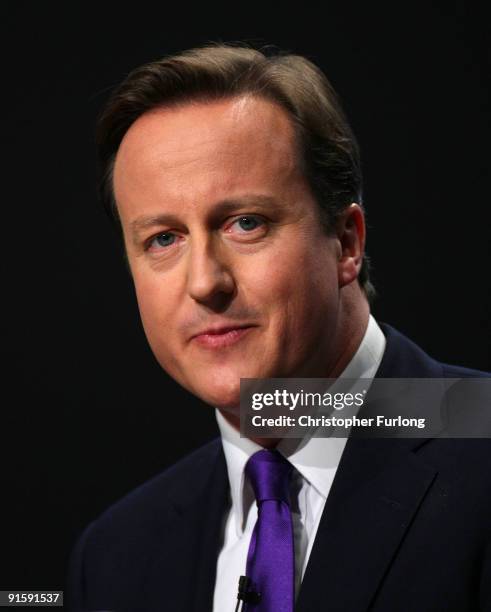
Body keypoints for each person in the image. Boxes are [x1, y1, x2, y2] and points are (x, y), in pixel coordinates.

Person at [68, 44, 491, 611]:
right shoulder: (114, 559)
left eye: (246, 223)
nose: (204, 282)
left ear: (347, 243)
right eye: (163, 239)